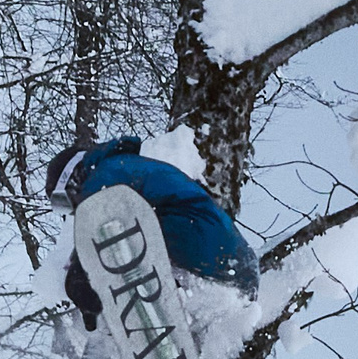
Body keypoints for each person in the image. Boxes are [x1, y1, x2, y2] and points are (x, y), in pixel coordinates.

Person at [46, 136, 259, 329]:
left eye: (62, 201)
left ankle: (169, 306)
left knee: (121, 253)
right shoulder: (124, 168)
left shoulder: (105, 173)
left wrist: (81, 273)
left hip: (204, 246)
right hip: (232, 267)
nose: (71, 210)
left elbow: (102, 224)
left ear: (73, 178)